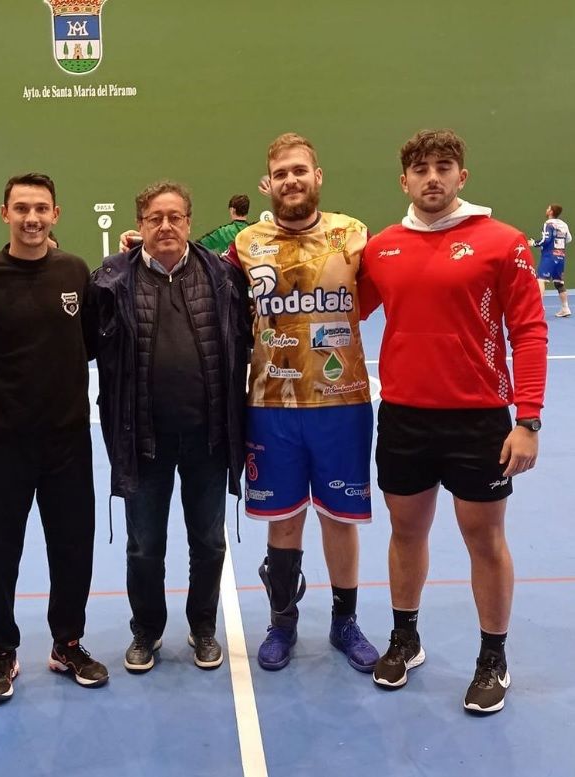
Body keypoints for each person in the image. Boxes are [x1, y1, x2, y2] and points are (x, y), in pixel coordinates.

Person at [359, 129, 548, 714]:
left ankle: (493, 657)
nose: (432, 177)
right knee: (405, 532)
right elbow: (332, 302)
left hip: (478, 421)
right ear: (404, 181)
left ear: (461, 176)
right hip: (404, 419)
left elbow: (530, 332)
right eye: (421, 169)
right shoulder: (383, 247)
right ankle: (405, 637)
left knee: (484, 540)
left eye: (444, 166)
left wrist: (529, 420)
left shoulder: (503, 242)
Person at [0, 173, 108, 701]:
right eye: (22, 208)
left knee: (72, 547)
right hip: (0, 444)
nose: (32, 218)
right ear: (4, 214)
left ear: (56, 215)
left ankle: (67, 642)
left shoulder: (74, 271)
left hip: (67, 440)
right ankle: (1, 652)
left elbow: (84, 344)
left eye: (41, 209)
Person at [225, 133, 378, 674]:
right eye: (281, 173)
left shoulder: (353, 234)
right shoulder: (246, 245)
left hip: (343, 402)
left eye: (300, 170)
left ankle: (344, 622)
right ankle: (282, 621)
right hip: (271, 403)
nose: (291, 180)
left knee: (340, 518)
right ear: (269, 183)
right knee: (283, 520)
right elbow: (205, 289)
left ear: (318, 176)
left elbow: (381, 294)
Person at [87, 181, 249, 673]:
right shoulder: (111, 281)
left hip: (208, 439)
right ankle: (147, 632)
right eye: (155, 217)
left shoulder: (222, 278)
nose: (165, 226)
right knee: (144, 546)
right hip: (144, 440)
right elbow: (83, 344)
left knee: (209, 542)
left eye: (175, 217)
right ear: (139, 225)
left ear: (189, 223)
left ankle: (203, 627)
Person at [530, 203, 571, 317]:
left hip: (549, 256)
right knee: (559, 283)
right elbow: (569, 239)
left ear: (551, 212)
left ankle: (539, 308)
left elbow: (546, 240)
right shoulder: (563, 224)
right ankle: (565, 308)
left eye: (548, 208)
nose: (546, 209)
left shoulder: (548, 224)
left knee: (540, 280)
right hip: (561, 256)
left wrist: (533, 243)